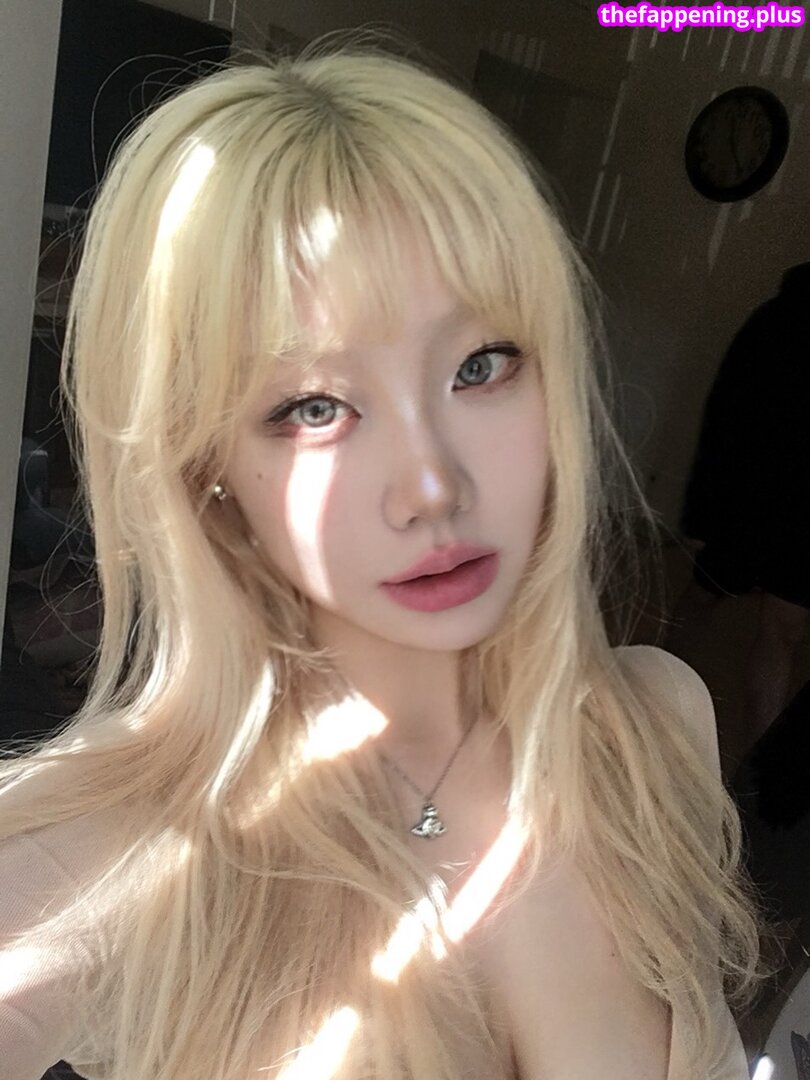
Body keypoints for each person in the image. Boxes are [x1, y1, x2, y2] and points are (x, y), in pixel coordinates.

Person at [0, 34, 780, 1080]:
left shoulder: (656, 722)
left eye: (481, 364)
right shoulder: (114, 849)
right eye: (314, 406)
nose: (433, 486)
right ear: (206, 464)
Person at [668, 263, 810, 753]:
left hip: (790, 510)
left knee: (781, 630)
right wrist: (707, 509)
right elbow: (727, 417)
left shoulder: (773, 319)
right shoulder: (776, 322)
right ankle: (647, 695)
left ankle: (757, 772)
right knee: (705, 598)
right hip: (753, 500)